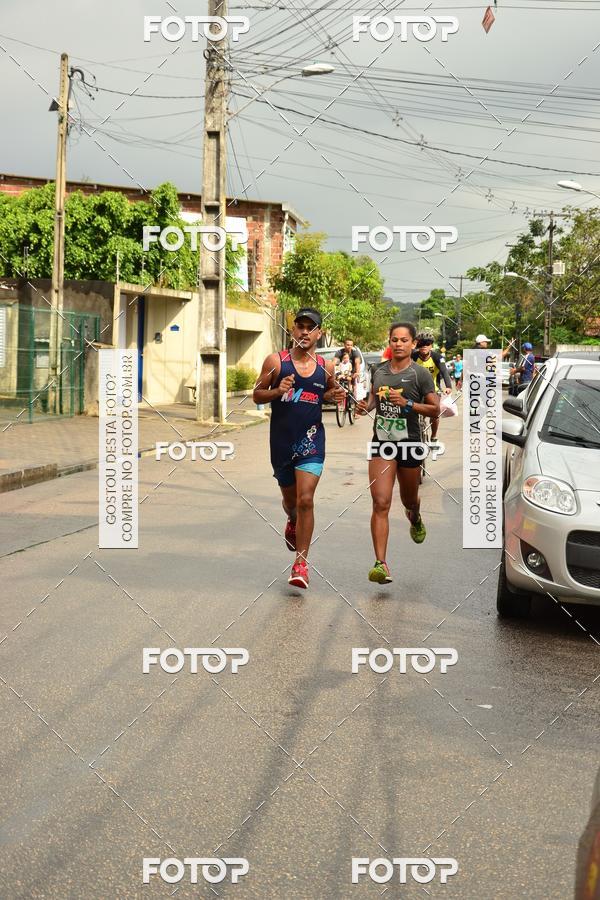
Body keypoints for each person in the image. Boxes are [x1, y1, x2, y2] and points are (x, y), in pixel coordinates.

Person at [252, 308, 344, 589]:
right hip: (281, 444)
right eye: (300, 326)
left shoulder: (326, 367)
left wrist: (334, 395)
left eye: (310, 327)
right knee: (292, 503)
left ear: (319, 333)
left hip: (311, 442)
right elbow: (256, 395)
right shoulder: (276, 362)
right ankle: (292, 520)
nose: (304, 331)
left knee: (306, 500)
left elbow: (326, 393)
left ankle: (301, 564)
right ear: (293, 330)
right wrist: (277, 391)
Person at [356, 322, 439, 584]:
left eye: (404, 340)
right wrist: (364, 406)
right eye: (394, 339)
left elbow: (435, 409)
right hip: (382, 442)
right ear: (389, 342)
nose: (399, 344)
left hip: (410, 443)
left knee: (408, 500)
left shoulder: (420, 374)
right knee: (381, 502)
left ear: (413, 344)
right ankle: (380, 564)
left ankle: (414, 516)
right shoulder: (378, 371)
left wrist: (408, 403)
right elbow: (373, 400)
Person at [411, 334, 452, 446]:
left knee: (435, 413)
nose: (424, 346)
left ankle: (433, 436)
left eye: (427, 344)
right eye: (421, 344)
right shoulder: (412, 356)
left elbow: (444, 372)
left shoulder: (437, 357)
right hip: (415, 390)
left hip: (432, 390)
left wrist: (448, 386)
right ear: (417, 345)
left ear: (431, 346)